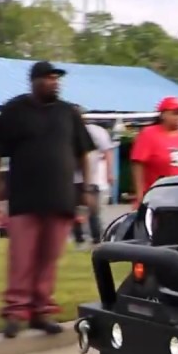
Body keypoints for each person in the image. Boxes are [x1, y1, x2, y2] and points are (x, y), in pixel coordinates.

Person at [0, 61, 96, 338]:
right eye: (49, 78)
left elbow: (84, 152)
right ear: (33, 81)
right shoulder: (14, 110)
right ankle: (15, 312)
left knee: (49, 257)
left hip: (60, 196)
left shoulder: (68, 113)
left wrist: (87, 187)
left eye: (57, 79)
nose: (55, 83)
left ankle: (41, 311)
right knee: (22, 257)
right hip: (24, 196)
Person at [130, 96, 178, 208]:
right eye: (175, 113)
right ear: (163, 115)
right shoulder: (149, 134)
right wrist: (140, 194)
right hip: (157, 197)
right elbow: (137, 164)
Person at [71, 105, 114, 249]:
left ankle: (96, 239)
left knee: (92, 209)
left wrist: (109, 172)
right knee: (74, 209)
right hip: (71, 177)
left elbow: (107, 151)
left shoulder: (95, 132)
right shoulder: (64, 133)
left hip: (91, 176)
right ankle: (79, 239)